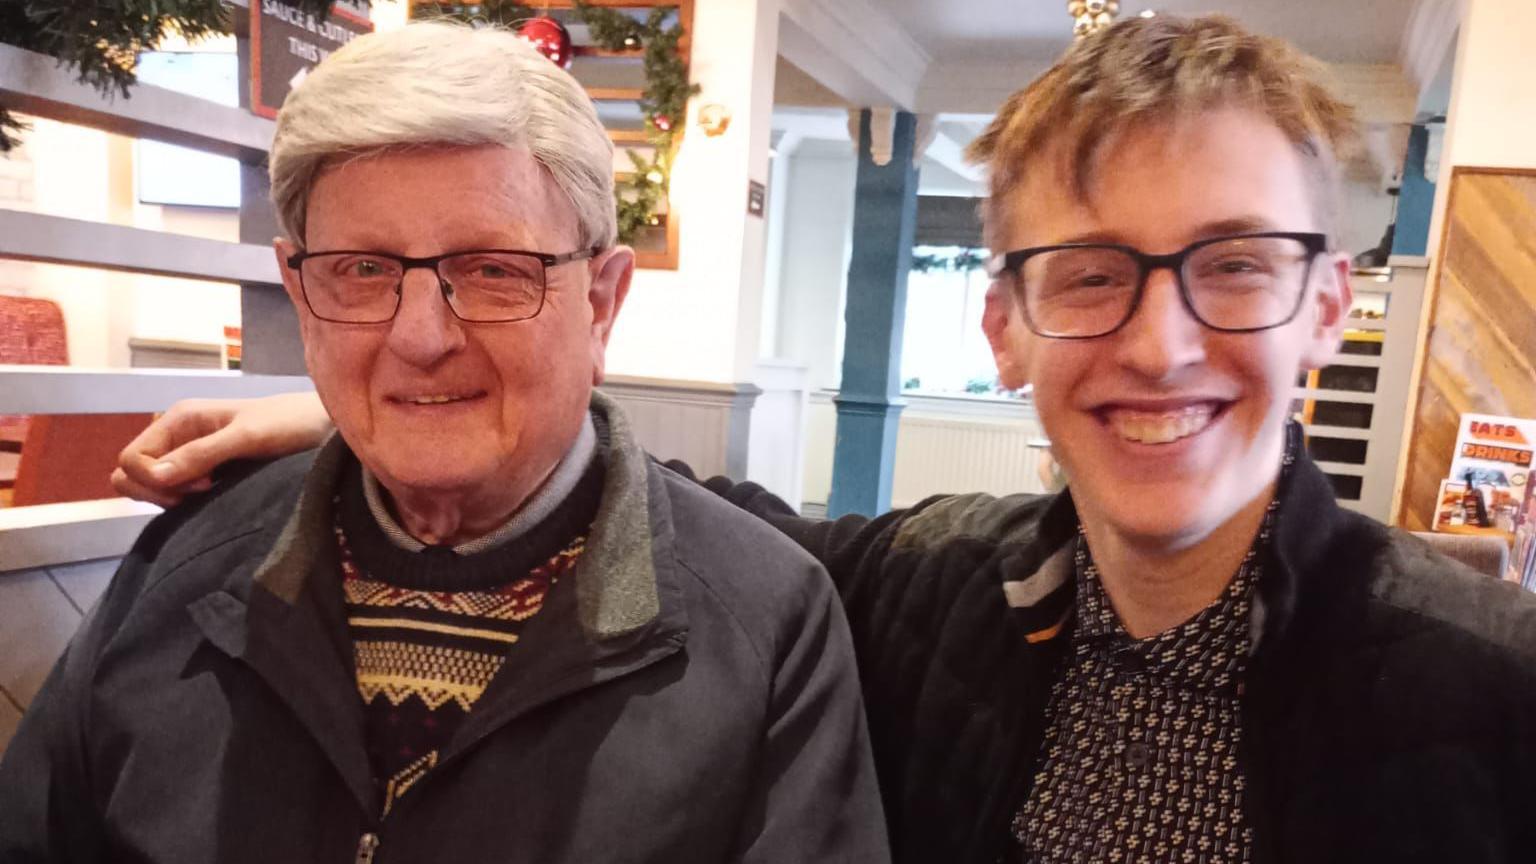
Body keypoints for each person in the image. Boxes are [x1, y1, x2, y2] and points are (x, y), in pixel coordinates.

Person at [106, 14, 1536, 864]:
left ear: (1330, 303)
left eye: (1231, 264)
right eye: (1091, 273)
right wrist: (370, 410)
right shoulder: (935, 595)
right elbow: (654, 505)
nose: (1159, 343)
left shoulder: (1491, 687)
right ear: (1005, 329)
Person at [0, 21, 889, 864]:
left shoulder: (767, 623)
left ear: (601, 303)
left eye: (494, 270)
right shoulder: (184, 565)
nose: (421, 335)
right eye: (361, 270)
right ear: (300, 294)